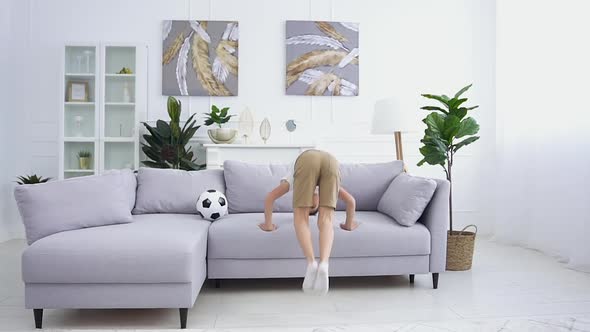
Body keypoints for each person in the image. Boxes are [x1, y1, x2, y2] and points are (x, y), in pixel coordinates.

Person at [258, 150, 359, 295]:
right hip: (331, 162)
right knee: (326, 219)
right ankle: (324, 263)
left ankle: (312, 263)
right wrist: (349, 224)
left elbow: (270, 197)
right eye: (314, 206)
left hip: (308, 158)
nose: (311, 202)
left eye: (310, 206)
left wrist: (268, 225)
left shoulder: (293, 181)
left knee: (300, 217)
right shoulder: (322, 188)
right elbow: (351, 201)